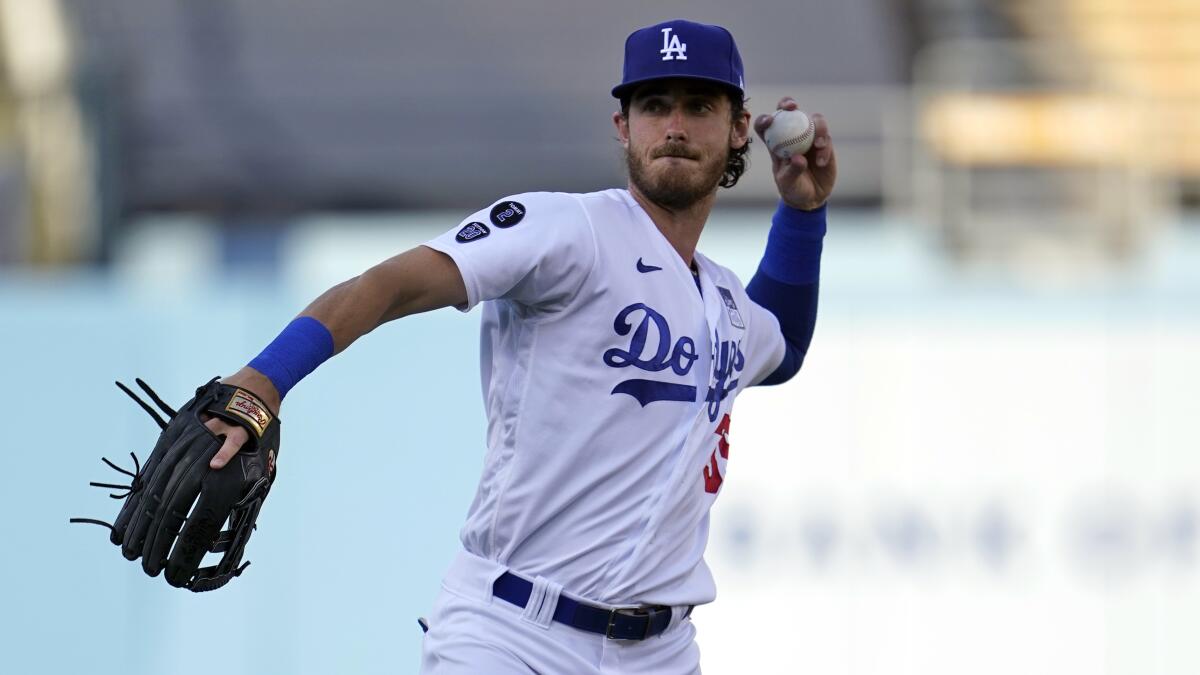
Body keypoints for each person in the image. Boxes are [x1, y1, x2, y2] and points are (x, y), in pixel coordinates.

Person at [205, 18, 835, 674]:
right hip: (513, 635)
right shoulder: (566, 230)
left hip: (663, 653)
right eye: (653, 105)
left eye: (698, 105)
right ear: (623, 126)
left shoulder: (727, 301)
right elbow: (390, 284)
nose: (674, 125)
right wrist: (265, 379)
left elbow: (782, 341)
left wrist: (803, 212)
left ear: (740, 127)